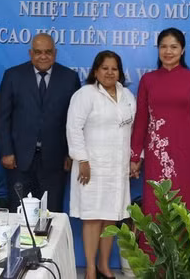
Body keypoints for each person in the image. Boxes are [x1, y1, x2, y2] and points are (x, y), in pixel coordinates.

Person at [130, 27, 190, 218]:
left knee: (185, 201)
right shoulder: (148, 80)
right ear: (158, 49)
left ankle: (185, 248)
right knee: (156, 202)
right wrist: (135, 156)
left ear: (182, 50)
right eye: (163, 47)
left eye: (174, 47)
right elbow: (141, 120)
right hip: (156, 151)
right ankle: (153, 249)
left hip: (185, 151)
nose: (168, 52)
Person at [67, 51, 136, 279]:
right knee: (93, 217)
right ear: (95, 71)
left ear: (120, 72)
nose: (109, 72)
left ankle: (104, 266)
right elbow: (73, 128)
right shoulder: (85, 94)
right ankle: (89, 269)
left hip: (117, 168)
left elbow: (133, 131)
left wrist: (135, 159)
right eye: (104, 68)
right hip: (91, 167)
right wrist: (82, 159)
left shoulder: (127, 96)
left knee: (111, 217)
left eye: (114, 68)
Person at [0, 33, 81, 212]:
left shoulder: (69, 78)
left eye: (48, 52)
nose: (43, 56)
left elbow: (74, 121)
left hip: (55, 161)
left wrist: (70, 153)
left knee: (51, 215)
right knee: (19, 214)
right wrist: (6, 151)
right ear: (30, 53)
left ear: (55, 53)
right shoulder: (13, 76)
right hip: (18, 160)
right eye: (38, 52)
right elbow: (3, 117)